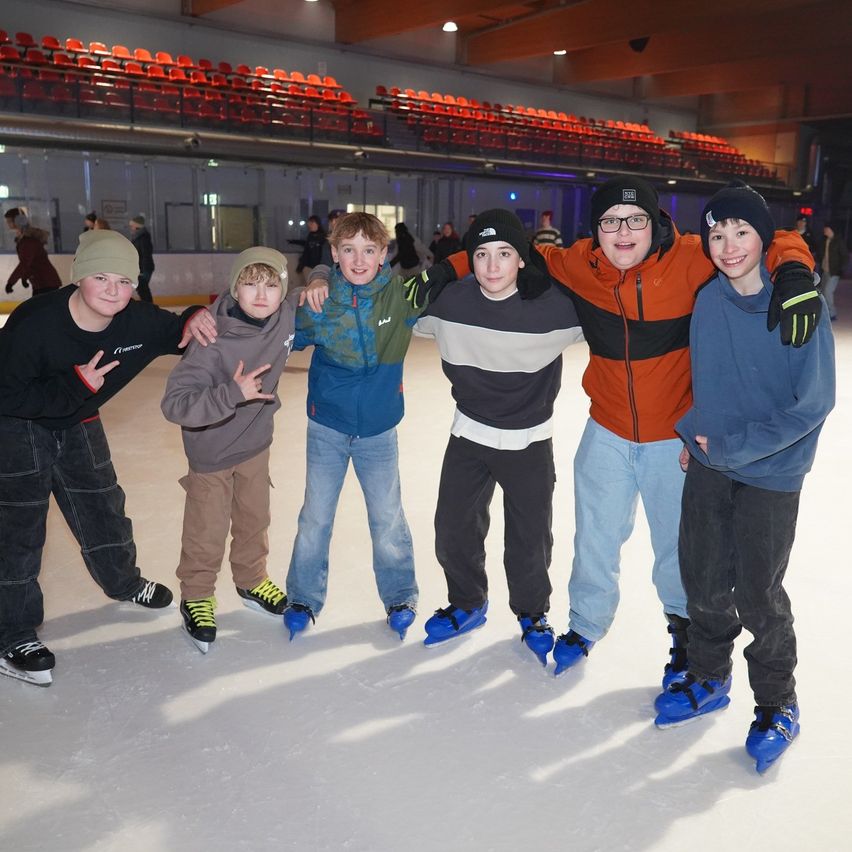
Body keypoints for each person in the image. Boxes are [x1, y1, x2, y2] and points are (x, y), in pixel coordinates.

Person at [433, 175, 820, 682]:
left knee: (676, 548)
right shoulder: (579, 264)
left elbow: (765, 238)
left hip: (672, 439)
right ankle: (586, 624)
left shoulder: (692, 257)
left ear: (653, 223)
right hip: (608, 430)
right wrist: (448, 264)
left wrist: (793, 269)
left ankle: (684, 637)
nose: (622, 232)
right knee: (595, 537)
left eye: (634, 220)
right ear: (596, 229)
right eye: (610, 221)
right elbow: (504, 243)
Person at [653, 182, 835, 774]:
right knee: (703, 576)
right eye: (716, 233)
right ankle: (708, 677)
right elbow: (709, 380)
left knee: (759, 592)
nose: (727, 246)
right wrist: (694, 432)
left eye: (740, 232)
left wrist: (733, 447)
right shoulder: (709, 301)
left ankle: (778, 701)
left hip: (771, 472)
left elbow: (810, 405)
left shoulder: (798, 304)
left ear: (763, 237)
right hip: (709, 460)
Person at [0, 230, 218, 686]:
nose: (114, 291)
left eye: (124, 280)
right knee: (20, 530)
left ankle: (122, 581)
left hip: (79, 422)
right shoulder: (35, 322)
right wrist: (75, 387)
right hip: (17, 426)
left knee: (103, 505)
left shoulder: (134, 321)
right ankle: (12, 632)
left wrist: (196, 314)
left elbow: (177, 330)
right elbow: (7, 391)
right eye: (101, 277)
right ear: (79, 276)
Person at [414, 210, 583, 665]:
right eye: (482, 254)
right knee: (452, 528)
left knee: (530, 537)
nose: (492, 266)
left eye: (504, 254)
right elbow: (385, 315)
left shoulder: (555, 306)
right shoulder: (449, 303)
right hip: (469, 435)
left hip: (529, 441)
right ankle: (468, 602)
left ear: (522, 260)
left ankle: (532, 612)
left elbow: (615, 316)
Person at [283, 213, 425, 641]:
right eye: (348, 250)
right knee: (315, 517)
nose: (359, 260)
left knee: (386, 517)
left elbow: (453, 278)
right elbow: (269, 319)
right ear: (334, 253)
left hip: (379, 431)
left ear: (384, 254)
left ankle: (400, 594)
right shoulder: (320, 302)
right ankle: (303, 597)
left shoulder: (402, 296)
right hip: (327, 426)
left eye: (369, 250)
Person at [161, 248, 299, 653]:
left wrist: (323, 277)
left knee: (255, 518)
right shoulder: (211, 340)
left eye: (271, 285)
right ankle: (198, 594)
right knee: (207, 530)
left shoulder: (286, 316)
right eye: (250, 283)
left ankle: (252, 579)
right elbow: (175, 403)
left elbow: (314, 288)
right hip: (211, 452)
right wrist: (231, 394)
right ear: (234, 287)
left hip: (256, 445)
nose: (261, 294)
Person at [4, 208, 62, 297]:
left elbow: (25, 263)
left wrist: (11, 282)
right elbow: (31, 263)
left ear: (19, 221)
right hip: (41, 283)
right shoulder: (24, 240)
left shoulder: (28, 242)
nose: (7, 224)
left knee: (39, 309)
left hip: (46, 283)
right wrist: (25, 277)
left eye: (9, 221)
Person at [819, 222, 848, 321]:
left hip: (834, 272)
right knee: (822, 292)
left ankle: (832, 313)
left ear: (831, 230)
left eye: (826, 229)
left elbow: (845, 256)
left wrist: (840, 269)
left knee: (828, 291)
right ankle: (825, 312)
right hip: (825, 270)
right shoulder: (825, 240)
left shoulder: (838, 241)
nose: (824, 230)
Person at [292, 215, 327, 285]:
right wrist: (301, 265)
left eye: (312, 223)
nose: (310, 225)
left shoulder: (324, 237)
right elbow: (306, 251)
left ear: (317, 224)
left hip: (320, 267)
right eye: (309, 224)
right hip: (309, 266)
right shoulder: (310, 236)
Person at [129, 214, 155, 303]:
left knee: (143, 290)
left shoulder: (143, 238)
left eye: (132, 225)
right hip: (141, 268)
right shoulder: (138, 237)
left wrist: (142, 271)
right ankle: (148, 308)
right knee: (142, 290)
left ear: (137, 226)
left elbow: (146, 255)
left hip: (144, 269)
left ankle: (149, 309)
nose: (131, 228)